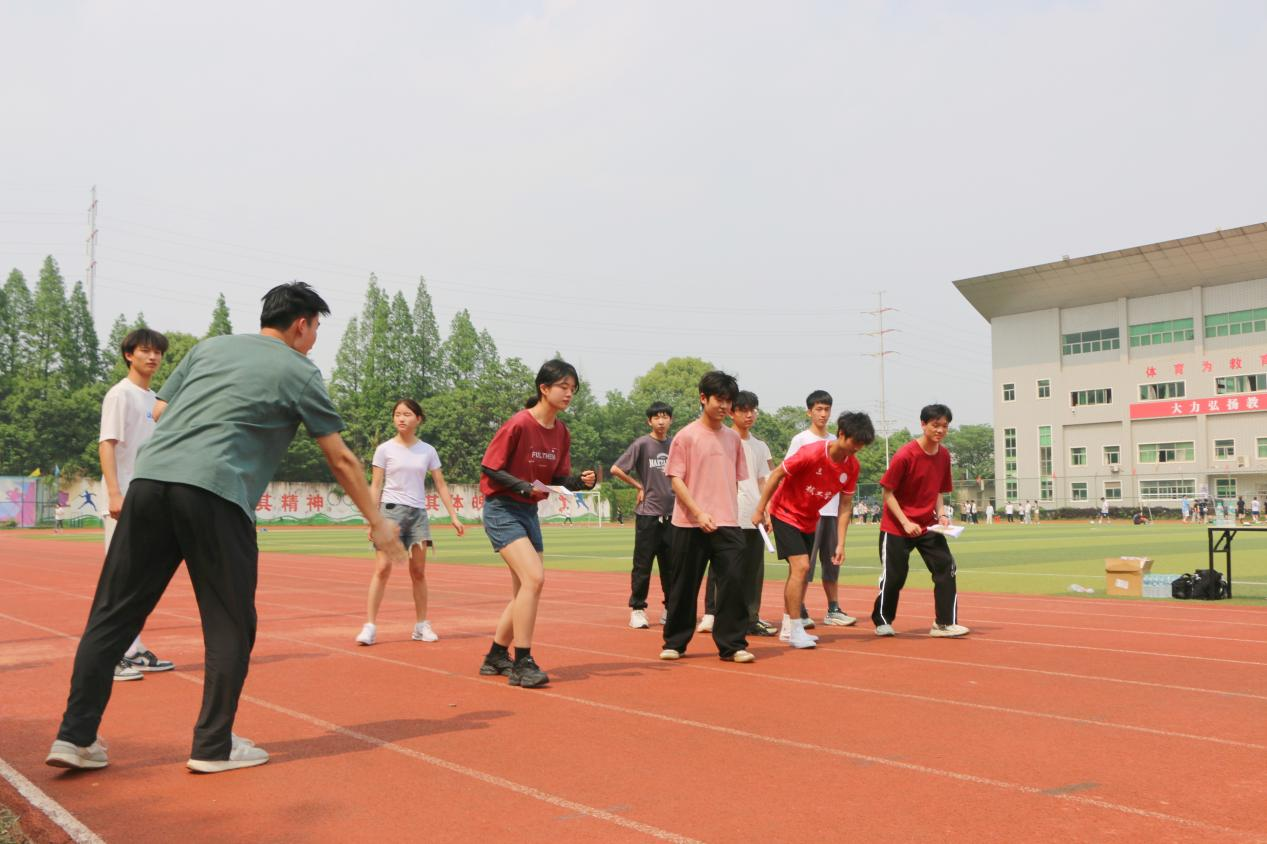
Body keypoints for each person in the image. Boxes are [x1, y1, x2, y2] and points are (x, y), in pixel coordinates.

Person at [47, 282, 406, 775]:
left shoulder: (209, 347)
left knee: (113, 614)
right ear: (301, 324)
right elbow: (341, 458)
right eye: (317, 327)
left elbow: (160, 411)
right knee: (229, 622)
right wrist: (379, 523)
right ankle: (212, 744)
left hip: (150, 483)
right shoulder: (300, 370)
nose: (315, 337)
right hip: (216, 492)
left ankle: (74, 736)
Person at [477, 359, 596, 688]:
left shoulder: (561, 431)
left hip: (529, 513)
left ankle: (496, 656)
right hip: (502, 508)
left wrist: (580, 482)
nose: (569, 394)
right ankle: (522, 662)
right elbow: (490, 467)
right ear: (544, 389)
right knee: (535, 579)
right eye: (563, 387)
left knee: (525, 590)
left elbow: (557, 478)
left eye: (573, 389)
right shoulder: (519, 424)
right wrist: (520, 485)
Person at [754, 411, 874, 650]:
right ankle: (798, 629)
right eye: (854, 442)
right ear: (841, 434)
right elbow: (777, 473)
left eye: (861, 445)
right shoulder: (811, 453)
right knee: (802, 567)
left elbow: (845, 506)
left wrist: (841, 543)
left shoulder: (852, 466)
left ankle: (789, 627)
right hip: (785, 512)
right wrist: (761, 509)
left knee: (797, 574)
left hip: (810, 519)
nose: (856, 449)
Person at [659, 371, 752, 663]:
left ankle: (732, 644)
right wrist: (699, 512)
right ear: (703, 398)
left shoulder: (733, 440)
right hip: (689, 523)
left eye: (729, 401)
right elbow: (676, 480)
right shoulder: (686, 437)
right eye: (719, 400)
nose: (725, 407)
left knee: (735, 582)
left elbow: (735, 480)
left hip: (727, 523)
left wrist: (727, 512)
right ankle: (675, 641)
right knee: (684, 585)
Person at [356, 399, 464, 647]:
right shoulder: (384, 449)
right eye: (397, 414)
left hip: (418, 515)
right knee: (382, 570)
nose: (401, 418)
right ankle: (370, 626)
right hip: (390, 513)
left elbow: (440, 484)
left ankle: (421, 625)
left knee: (418, 572)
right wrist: (372, 520)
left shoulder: (427, 450)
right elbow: (376, 485)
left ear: (418, 419)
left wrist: (454, 516)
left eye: (407, 414)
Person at [99, 328, 173, 682]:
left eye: (158, 352)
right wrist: (114, 492)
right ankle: (110, 655)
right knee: (119, 578)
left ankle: (133, 648)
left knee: (139, 579)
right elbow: (107, 444)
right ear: (129, 354)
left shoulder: (155, 399)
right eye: (145, 351)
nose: (153, 357)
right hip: (124, 498)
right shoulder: (120, 394)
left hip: (148, 499)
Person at [871, 404, 968, 639]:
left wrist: (942, 515)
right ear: (923, 424)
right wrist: (905, 523)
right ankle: (883, 620)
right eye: (935, 425)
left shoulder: (944, 455)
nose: (940, 430)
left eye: (945, 426)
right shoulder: (906, 454)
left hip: (927, 525)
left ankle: (944, 623)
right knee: (895, 576)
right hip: (897, 526)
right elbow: (887, 493)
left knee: (946, 567)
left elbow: (938, 491)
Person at [785, 390, 854, 627]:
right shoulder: (801, 440)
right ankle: (799, 609)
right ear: (809, 412)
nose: (823, 414)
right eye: (818, 409)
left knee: (832, 561)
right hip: (806, 514)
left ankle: (833, 608)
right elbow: (787, 474)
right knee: (804, 565)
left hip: (831, 511)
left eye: (827, 409)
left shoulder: (837, 441)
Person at [610, 401, 676, 629]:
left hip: (673, 515)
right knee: (643, 564)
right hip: (648, 515)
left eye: (665, 417)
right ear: (649, 421)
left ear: (671, 420)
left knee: (671, 566)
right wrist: (639, 486)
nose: (660, 421)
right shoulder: (642, 444)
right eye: (656, 417)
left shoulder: (675, 445)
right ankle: (638, 609)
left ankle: (670, 608)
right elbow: (616, 469)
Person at [725, 391, 776, 637]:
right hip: (729, 516)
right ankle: (725, 618)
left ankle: (751, 618)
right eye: (743, 410)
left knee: (754, 573)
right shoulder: (723, 441)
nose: (749, 415)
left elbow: (765, 480)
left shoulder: (760, 446)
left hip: (755, 516)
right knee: (729, 572)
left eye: (753, 410)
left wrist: (768, 510)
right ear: (731, 412)